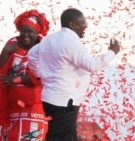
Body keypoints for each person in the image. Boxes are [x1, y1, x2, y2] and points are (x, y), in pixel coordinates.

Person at [28, 8, 120, 141]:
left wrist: (39, 75)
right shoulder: (71, 43)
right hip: (64, 102)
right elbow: (92, 65)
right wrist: (112, 52)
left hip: (51, 98)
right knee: (64, 137)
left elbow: (32, 55)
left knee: (58, 135)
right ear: (72, 24)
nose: (85, 26)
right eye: (82, 23)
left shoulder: (50, 39)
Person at [0, 9, 50, 141]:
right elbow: (1, 71)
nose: (26, 35)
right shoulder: (13, 44)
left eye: (30, 31)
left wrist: (16, 79)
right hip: (12, 112)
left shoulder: (44, 49)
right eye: (23, 30)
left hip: (32, 113)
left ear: (37, 33)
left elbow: (41, 77)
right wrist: (4, 53)